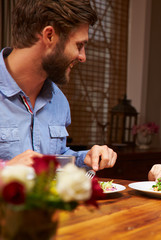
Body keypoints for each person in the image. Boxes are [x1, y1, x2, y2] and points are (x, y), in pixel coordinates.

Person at [0, 0, 117, 171]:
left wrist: (85, 157)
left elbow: (55, 157)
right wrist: (6, 169)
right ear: (49, 36)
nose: (82, 57)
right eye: (79, 45)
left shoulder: (58, 100)